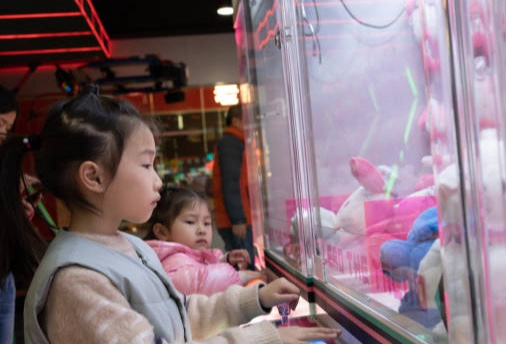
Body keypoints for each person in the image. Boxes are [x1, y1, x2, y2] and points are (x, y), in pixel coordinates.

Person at [0, 86, 340, 343]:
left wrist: (256, 299)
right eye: (146, 165)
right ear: (94, 176)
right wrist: (267, 337)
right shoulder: (77, 281)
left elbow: (177, 313)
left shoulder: (130, 246)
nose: (158, 181)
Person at [146, 186, 266, 296]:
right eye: (190, 222)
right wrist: (241, 276)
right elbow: (202, 281)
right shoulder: (172, 261)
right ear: (162, 232)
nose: (201, 230)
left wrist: (224, 260)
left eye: (206, 223)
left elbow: (200, 266)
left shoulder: (188, 255)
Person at [0, 84, 47, 344]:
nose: (4, 135)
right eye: (1, 124)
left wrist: (17, 211)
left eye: (8, 128)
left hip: (4, 277)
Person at [212, 104, 256, 270]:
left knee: (242, 267)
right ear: (236, 121)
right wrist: (238, 219)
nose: (250, 126)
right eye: (247, 120)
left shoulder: (235, 142)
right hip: (237, 222)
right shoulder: (231, 143)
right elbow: (231, 182)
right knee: (244, 267)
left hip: (237, 219)